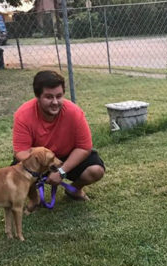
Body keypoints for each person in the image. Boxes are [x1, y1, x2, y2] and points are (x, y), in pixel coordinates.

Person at [12, 70, 105, 201]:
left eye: (59, 96)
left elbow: (84, 147)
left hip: (67, 155)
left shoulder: (74, 112)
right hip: (40, 160)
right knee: (15, 174)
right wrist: (44, 167)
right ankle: (34, 198)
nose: (55, 102)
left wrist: (61, 171)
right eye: (49, 97)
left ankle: (75, 190)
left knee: (96, 170)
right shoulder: (23, 115)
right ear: (37, 97)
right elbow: (21, 152)